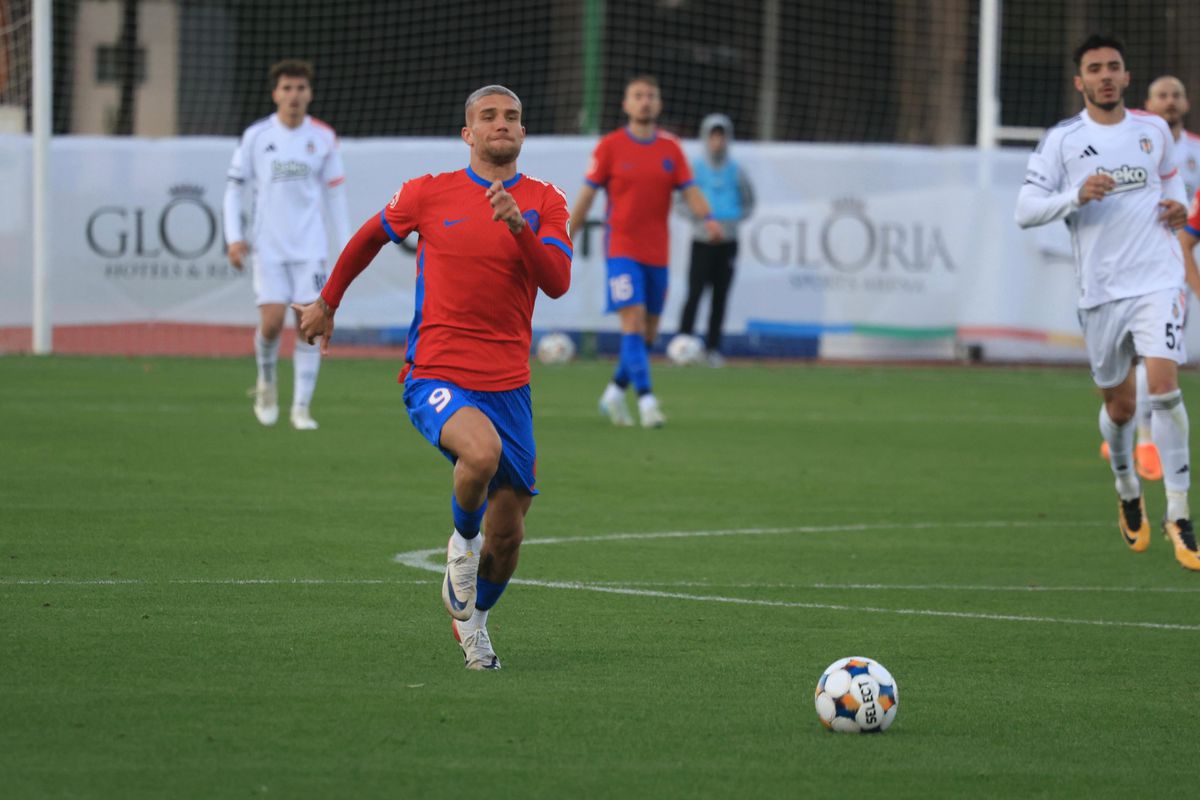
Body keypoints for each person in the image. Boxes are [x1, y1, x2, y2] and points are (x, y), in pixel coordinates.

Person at [293, 86, 572, 670]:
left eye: (513, 117)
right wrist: (327, 301)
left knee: (511, 536)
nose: (502, 124)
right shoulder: (427, 192)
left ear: (523, 133)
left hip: (510, 387)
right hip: (437, 373)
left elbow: (557, 282)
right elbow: (369, 237)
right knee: (481, 454)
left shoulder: (545, 202)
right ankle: (460, 546)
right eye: (488, 117)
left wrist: (519, 226)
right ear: (467, 133)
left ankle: (473, 625)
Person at [1015, 34, 1197, 570]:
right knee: (1118, 408)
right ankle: (1126, 487)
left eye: (1114, 66)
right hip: (1100, 293)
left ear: (1126, 75)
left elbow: (1173, 181)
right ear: (1081, 82)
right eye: (1095, 69)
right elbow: (1026, 209)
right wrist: (1075, 196)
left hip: (1157, 280)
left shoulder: (1153, 130)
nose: (1106, 76)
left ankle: (1181, 515)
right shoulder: (1063, 140)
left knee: (1163, 387)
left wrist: (1178, 207)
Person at [569, 75, 722, 428]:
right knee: (633, 323)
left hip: (658, 254)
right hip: (621, 249)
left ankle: (613, 394)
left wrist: (709, 219)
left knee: (647, 335)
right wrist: (568, 234)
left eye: (651, 96)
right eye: (638, 96)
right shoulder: (609, 146)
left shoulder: (670, 149)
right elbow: (588, 194)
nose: (645, 101)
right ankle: (649, 401)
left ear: (659, 104)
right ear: (626, 104)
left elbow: (690, 190)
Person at [223, 59, 350, 431]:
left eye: (300, 88)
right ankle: (266, 383)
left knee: (309, 326)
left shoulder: (324, 137)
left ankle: (300, 408)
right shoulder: (257, 136)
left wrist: (346, 247)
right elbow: (234, 189)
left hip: (310, 247)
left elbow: (335, 196)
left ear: (309, 93)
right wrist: (234, 237)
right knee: (273, 321)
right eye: (287, 88)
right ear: (275, 93)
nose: (294, 95)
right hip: (268, 247)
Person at [675, 113, 755, 367]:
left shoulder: (736, 171)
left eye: (722, 136)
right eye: (713, 136)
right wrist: (703, 223)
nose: (717, 142)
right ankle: (683, 343)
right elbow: (681, 202)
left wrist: (728, 225)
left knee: (720, 296)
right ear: (706, 138)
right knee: (695, 293)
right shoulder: (695, 168)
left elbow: (748, 202)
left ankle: (713, 348)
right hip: (702, 241)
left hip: (728, 242)